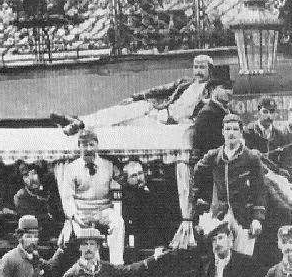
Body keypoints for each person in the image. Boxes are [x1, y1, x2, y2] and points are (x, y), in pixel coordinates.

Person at [58, 54, 224, 133]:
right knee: (125, 112)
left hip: (172, 125)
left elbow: (210, 111)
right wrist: (133, 97)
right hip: (157, 115)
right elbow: (157, 90)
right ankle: (80, 124)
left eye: (202, 67)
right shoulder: (184, 83)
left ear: (210, 70)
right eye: (196, 67)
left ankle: (81, 123)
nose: (198, 71)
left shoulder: (213, 89)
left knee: (119, 123)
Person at [192, 114, 266, 256]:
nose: (231, 133)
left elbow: (260, 191)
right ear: (222, 132)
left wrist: (257, 218)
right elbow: (197, 173)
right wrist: (202, 203)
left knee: (242, 260)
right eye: (227, 129)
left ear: (241, 132)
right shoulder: (214, 156)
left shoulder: (251, 158)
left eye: (235, 129)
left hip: (244, 217)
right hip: (221, 216)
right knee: (219, 257)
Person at [60, 130, 126, 265]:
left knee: (118, 222)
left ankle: (117, 265)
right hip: (81, 212)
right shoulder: (71, 168)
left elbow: (119, 188)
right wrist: (74, 216)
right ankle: (92, 267)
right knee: (86, 238)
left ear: (97, 145)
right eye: (84, 145)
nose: (88, 149)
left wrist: (115, 212)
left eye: (91, 144)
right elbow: (67, 197)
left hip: (104, 210)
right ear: (79, 146)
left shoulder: (108, 166)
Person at [244, 97, 292, 218]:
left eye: (272, 112)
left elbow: (287, 161)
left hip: (275, 175)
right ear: (258, 112)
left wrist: (288, 173)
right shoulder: (248, 132)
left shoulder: (280, 135)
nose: (269, 116)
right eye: (265, 112)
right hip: (254, 174)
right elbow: (247, 158)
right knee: (275, 184)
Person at [13, 161, 64, 242]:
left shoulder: (50, 193)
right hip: (35, 237)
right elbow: (31, 220)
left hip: (56, 236)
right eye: (26, 175)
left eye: (33, 173)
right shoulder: (21, 196)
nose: (31, 178)